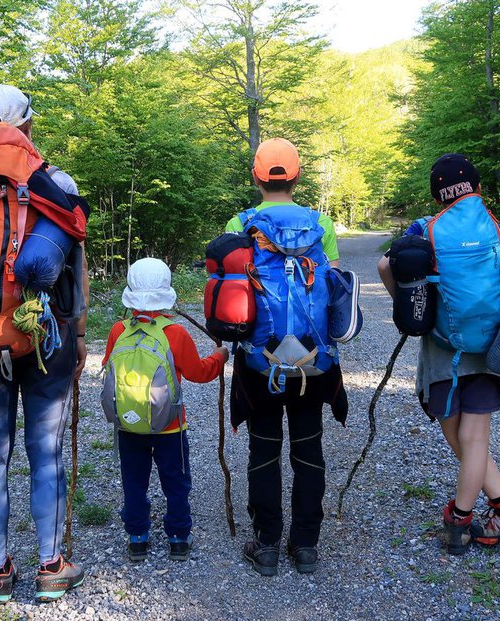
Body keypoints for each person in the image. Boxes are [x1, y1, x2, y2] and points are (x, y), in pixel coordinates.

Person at [0, 84, 89, 603]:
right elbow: (75, 264)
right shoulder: (54, 182)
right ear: (30, 126)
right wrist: (79, 332)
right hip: (47, 334)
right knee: (46, 452)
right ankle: (50, 566)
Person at [377, 153, 500, 555]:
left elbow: (384, 264)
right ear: (476, 187)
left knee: (455, 432)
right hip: (493, 343)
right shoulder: (494, 224)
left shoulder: (426, 228)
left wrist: (410, 307)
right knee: (475, 436)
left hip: (442, 346)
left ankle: (460, 519)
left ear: (438, 194)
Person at [226, 138, 348, 576]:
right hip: (314, 360)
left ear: (256, 177)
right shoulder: (322, 223)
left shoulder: (240, 223)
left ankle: (268, 544)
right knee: (308, 446)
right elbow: (333, 293)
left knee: (264, 448)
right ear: (297, 177)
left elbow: (230, 296)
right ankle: (307, 545)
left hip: (260, 361)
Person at [101, 258, 228, 562]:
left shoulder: (118, 330)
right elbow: (198, 373)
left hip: (129, 426)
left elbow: (109, 368)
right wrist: (221, 356)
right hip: (170, 425)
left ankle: (137, 538)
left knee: (133, 480)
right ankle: (179, 538)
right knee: (176, 480)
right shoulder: (175, 333)